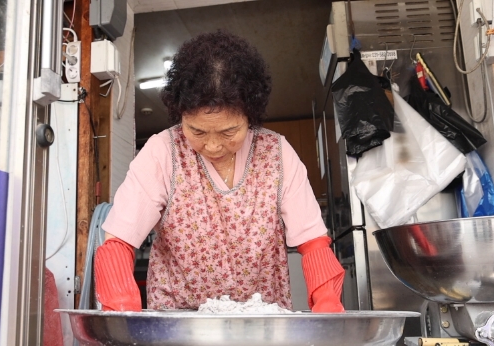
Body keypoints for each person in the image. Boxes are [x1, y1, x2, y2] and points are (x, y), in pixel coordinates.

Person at [94, 30, 345, 313]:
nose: (213, 146)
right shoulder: (162, 151)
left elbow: (313, 242)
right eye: (197, 131)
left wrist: (327, 303)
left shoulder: (277, 153)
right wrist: (121, 311)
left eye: (229, 131)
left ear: (251, 116)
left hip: (261, 325)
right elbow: (119, 242)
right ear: (180, 115)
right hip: (178, 326)